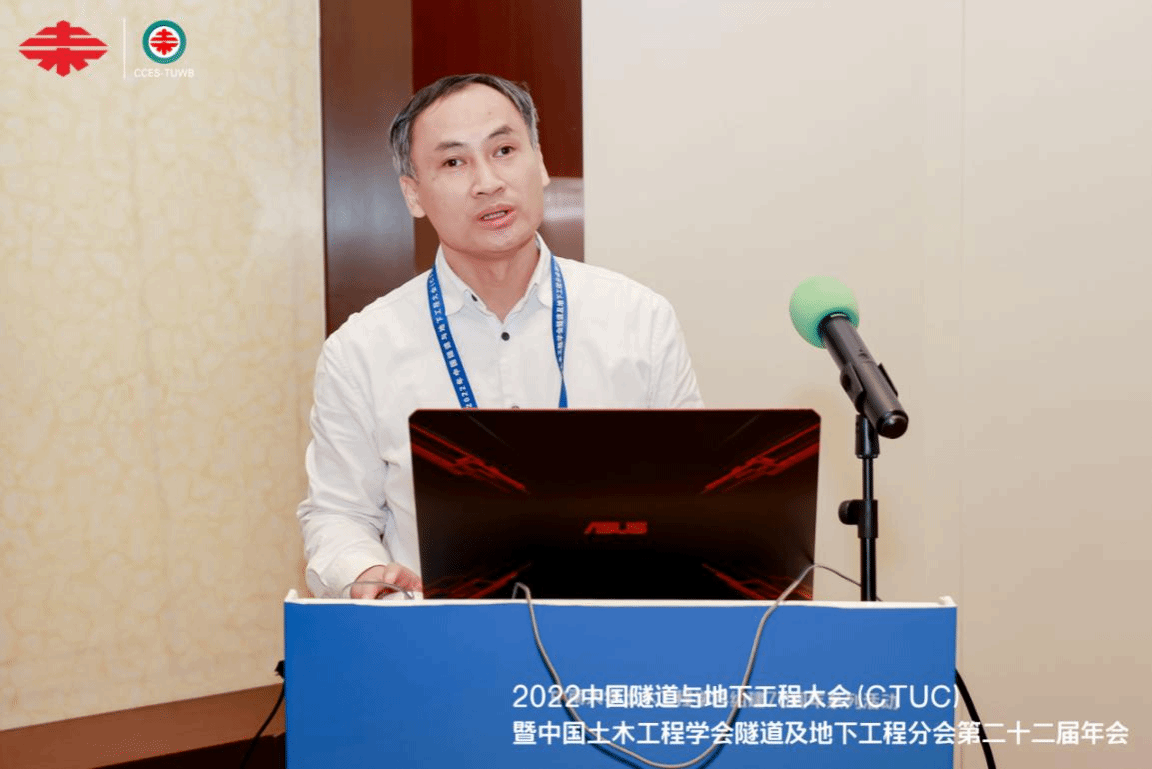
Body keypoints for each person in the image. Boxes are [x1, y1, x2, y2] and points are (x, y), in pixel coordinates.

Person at [296, 73, 703, 599]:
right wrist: (364, 571)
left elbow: (693, 496)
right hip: (442, 632)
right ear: (413, 194)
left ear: (541, 163)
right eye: (454, 162)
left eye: (504, 150)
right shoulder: (360, 350)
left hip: (611, 623)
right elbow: (338, 513)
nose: (487, 182)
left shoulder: (640, 319)